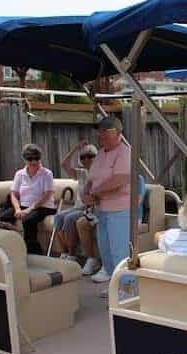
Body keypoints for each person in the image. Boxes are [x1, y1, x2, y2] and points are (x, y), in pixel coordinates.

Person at [83, 116, 132, 294]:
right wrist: (86, 192)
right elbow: (91, 179)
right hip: (101, 211)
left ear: (118, 133)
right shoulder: (100, 153)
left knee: (120, 253)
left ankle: (126, 291)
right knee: (107, 252)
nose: (100, 134)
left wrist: (95, 193)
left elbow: (120, 178)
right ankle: (114, 287)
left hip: (119, 211)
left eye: (105, 131)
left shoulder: (124, 152)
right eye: (100, 131)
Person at [0, 144, 56, 254]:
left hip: (43, 207)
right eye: (30, 159)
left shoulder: (47, 174)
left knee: (28, 220)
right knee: (1, 219)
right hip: (23, 205)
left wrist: (29, 210)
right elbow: (14, 194)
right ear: (25, 160)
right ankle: (11, 247)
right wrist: (17, 209)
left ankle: (33, 252)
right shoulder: (20, 174)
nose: (34, 162)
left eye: (36, 159)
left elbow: (47, 195)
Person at [53, 141, 97, 263]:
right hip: (78, 207)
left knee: (69, 218)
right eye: (83, 157)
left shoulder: (99, 173)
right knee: (58, 217)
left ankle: (72, 255)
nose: (86, 159)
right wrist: (75, 149)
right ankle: (65, 251)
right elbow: (64, 164)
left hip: (89, 208)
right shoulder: (82, 173)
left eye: (90, 156)